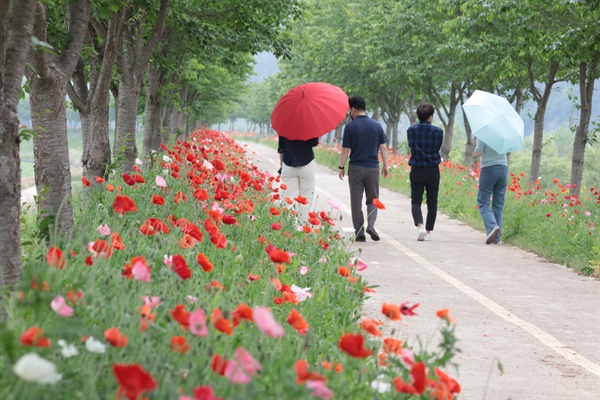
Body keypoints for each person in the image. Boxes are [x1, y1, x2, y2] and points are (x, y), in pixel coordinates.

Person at [338, 95, 389, 242]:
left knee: (356, 202)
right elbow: (384, 148)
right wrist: (385, 166)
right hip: (373, 167)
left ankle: (360, 233)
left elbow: (345, 150)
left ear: (353, 109)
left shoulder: (350, 127)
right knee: (373, 199)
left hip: (355, 168)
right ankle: (371, 225)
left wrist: (341, 167)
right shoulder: (377, 125)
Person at [407, 103, 443, 241]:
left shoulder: (411, 130)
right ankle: (428, 232)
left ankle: (420, 226)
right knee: (432, 202)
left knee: (416, 201)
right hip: (432, 169)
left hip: (417, 169)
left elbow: (411, 145)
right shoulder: (438, 131)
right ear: (430, 116)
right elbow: (438, 147)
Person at [474, 139, 508, 244]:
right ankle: (496, 238)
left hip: (489, 168)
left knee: (483, 202)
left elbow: (478, 153)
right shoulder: (504, 134)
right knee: (498, 204)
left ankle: (492, 226)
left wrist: (475, 149)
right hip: (503, 168)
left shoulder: (484, 134)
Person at [278, 136, 319, 223]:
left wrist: (281, 166)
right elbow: (314, 143)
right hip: (307, 165)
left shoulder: (284, 126)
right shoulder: (308, 124)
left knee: (288, 198)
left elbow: (281, 149)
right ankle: (303, 227)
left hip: (288, 165)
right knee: (306, 198)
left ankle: (290, 228)